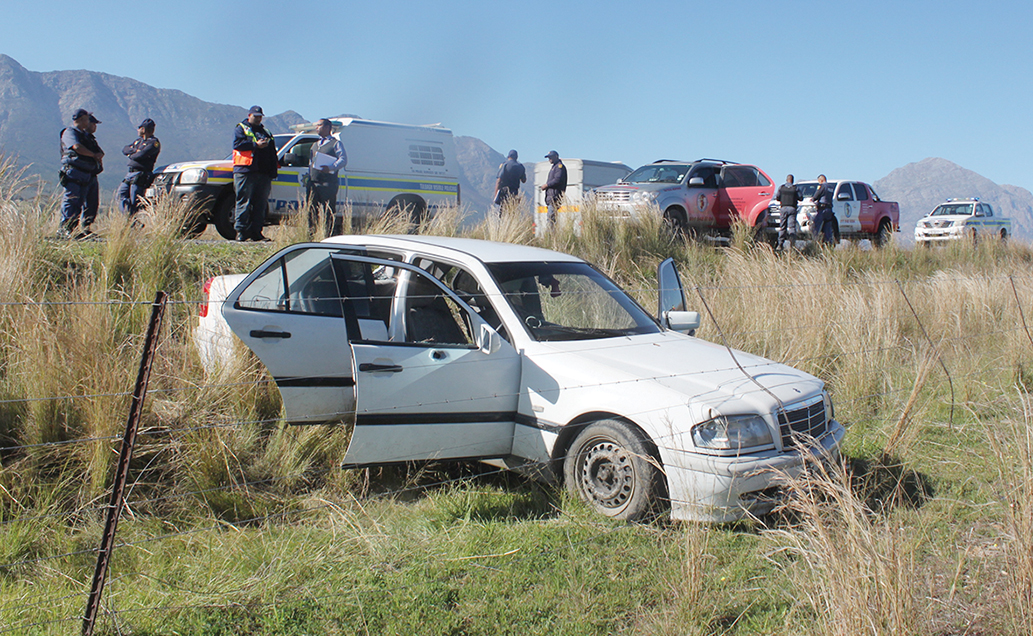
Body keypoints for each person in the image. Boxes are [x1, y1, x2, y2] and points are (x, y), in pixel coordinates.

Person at [232, 105, 277, 242]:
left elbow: (272, 153)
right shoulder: (241, 128)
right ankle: (241, 231)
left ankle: (256, 232)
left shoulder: (266, 131)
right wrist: (255, 145)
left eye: (260, 117)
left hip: (263, 173)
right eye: (255, 116)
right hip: (246, 171)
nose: (258, 119)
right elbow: (237, 144)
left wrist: (272, 171)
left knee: (260, 204)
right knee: (244, 202)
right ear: (249, 115)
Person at [58, 109, 104, 239]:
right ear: (83, 119)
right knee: (72, 200)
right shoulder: (70, 132)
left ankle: (80, 229)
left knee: (85, 202)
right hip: (74, 172)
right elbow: (76, 147)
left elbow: (100, 151)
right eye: (87, 119)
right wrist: (93, 155)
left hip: (87, 173)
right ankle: (65, 229)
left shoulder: (87, 136)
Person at [306, 118, 348, 234]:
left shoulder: (335, 143)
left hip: (328, 183)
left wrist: (330, 167)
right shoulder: (315, 144)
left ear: (327, 128)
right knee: (312, 210)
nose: (316, 128)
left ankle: (328, 234)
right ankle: (312, 235)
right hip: (313, 182)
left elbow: (343, 160)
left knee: (328, 211)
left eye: (319, 125)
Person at [118, 118, 161, 217]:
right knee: (121, 194)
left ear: (144, 129)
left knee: (135, 201)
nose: (137, 130)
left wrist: (132, 154)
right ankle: (127, 217)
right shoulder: (138, 141)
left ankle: (134, 221)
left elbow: (140, 156)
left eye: (139, 128)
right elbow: (125, 149)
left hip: (140, 174)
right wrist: (134, 151)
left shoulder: (153, 143)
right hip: (130, 173)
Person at [539, 150, 567, 231]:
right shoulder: (554, 167)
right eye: (548, 158)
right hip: (551, 197)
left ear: (556, 157)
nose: (549, 159)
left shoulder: (559, 167)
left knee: (551, 220)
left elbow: (557, 180)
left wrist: (547, 185)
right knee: (551, 219)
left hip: (554, 197)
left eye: (551, 157)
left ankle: (550, 238)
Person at [775, 174, 801, 250]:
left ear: (786, 180)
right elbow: (800, 198)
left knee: (782, 227)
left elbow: (777, 197)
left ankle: (780, 244)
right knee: (791, 227)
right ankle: (792, 244)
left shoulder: (781, 187)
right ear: (792, 180)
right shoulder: (795, 188)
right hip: (792, 208)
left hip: (783, 208)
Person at [810, 174, 835, 245]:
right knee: (828, 229)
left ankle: (814, 242)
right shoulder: (831, 187)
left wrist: (813, 199)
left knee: (816, 226)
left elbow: (817, 195)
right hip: (829, 209)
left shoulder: (822, 186)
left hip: (822, 209)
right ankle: (829, 244)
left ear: (821, 180)